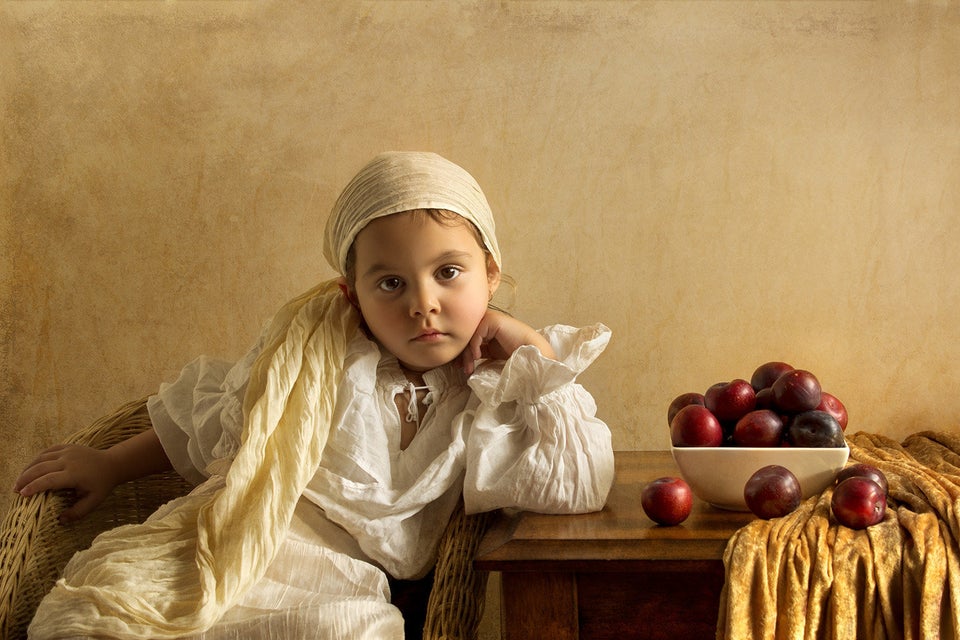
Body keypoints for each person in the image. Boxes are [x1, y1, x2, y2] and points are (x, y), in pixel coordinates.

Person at [14, 151, 615, 639]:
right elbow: (216, 423)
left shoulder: (496, 390)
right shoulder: (315, 355)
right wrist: (111, 465)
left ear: (490, 273)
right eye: (390, 282)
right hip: (234, 542)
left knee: (348, 631)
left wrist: (533, 352)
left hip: (343, 588)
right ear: (352, 295)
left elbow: (577, 482)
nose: (422, 302)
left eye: (449, 272)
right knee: (97, 616)